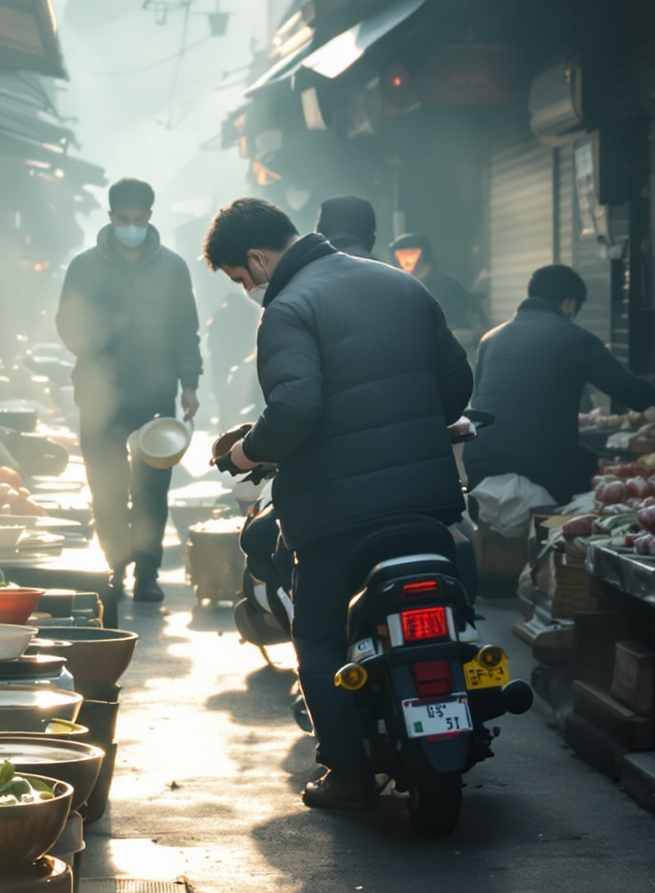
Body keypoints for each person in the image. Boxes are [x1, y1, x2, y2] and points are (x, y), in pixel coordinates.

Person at [204, 198, 473, 810]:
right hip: (426, 502)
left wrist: (246, 452)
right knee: (459, 602)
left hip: (338, 517)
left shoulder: (288, 307)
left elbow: (297, 409)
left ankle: (348, 775)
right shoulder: (400, 284)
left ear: (257, 258)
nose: (249, 290)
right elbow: (456, 384)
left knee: (318, 636)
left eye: (242, 278)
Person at [56, 179, 203, 603]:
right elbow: (67, 323)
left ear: (150, 217)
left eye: (139, 219)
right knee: (106, 490)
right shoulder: (84, 266)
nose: (132, 227)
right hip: (98, 397)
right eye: (124, 219)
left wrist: (190, 383)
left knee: (151, 493)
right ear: (111, 217)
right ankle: (114, 569)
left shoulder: (173, 267)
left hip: (156, 396)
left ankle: (147, 575)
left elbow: (185, 329)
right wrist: (96, 345)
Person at [465, 264, 655, 503]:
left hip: (479, 457)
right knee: (600, 477)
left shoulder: (490, 339)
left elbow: (479, 398)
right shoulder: (577, 338)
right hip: (543, 461)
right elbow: (627, 390)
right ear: (569, 304)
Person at [389, 231, 484, 341]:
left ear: (424, 254)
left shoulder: (449, 286)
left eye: (412, 253)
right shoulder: (394, 288)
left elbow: (476, 327)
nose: (407, 260)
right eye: (401, 254)